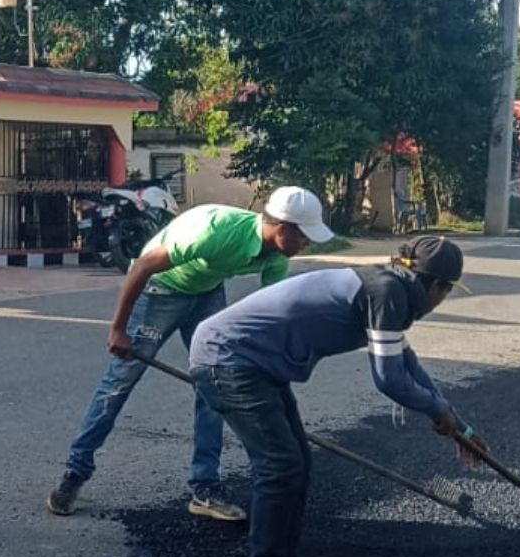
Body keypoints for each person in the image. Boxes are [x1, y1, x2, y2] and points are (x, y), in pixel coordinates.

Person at [186, 237, 486, 557]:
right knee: (280, 469)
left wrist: (460, 427)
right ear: (437, 286)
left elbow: (408, 365)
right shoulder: (388, 293)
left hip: (255, 364)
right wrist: (437, 412)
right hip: (227, 358)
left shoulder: (390, 287)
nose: (442, 300)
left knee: (296, 467)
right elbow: (390, 380)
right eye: (446, 292)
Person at [46, 188, 329, 520]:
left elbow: (272, 315)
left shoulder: (277, 257)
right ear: (282, 229)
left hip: (206, 292)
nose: (307, 243)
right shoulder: (214, 231)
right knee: (119, 383)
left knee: (214, 384)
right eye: (304, 236)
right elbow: (142, 267)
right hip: (159, 289)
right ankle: (75, 472)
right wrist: (119, 329)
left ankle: (205, 486)